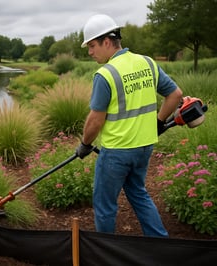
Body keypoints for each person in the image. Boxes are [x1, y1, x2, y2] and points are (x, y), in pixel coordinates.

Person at [75, 14, 183, 237]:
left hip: (116, 152)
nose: (90, 52)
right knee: (139, 194)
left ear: (107, 41)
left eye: (92, 45)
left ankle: (106, 251)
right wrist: (158, 123)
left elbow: (95, 120)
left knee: (105, 206)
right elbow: (175, 94)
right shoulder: (147, 63)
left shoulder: (106, 74)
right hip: (144, 148)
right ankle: (160, 244)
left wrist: (85, 144)